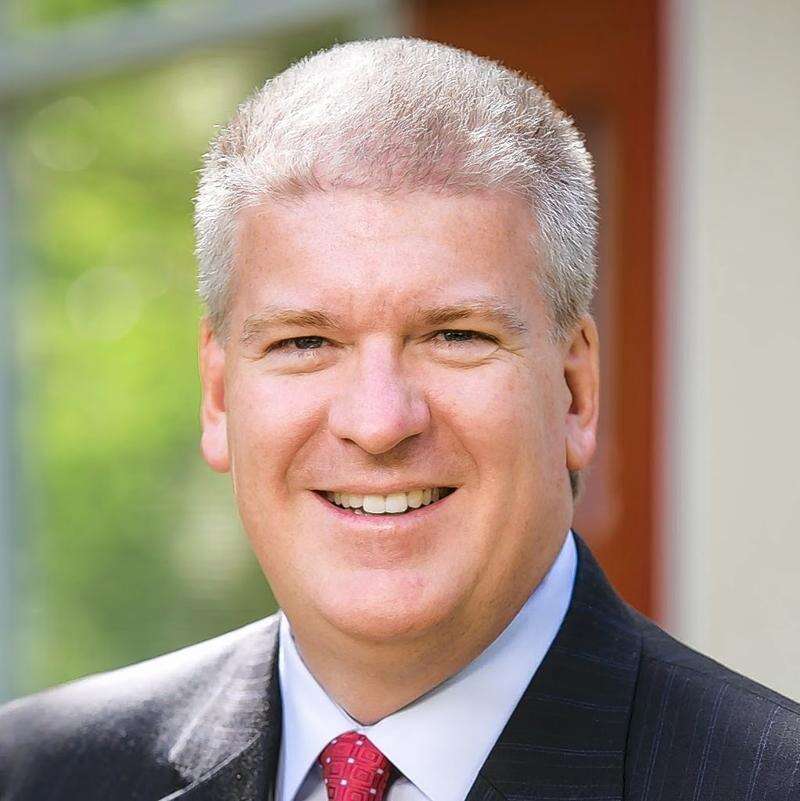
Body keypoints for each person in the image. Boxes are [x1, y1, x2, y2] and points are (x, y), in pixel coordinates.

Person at [1, 37, 799, 801]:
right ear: (218, 395)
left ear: (575, 389)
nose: (380, 423)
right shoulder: (36, 775)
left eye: (456, 335)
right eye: (305, 341)